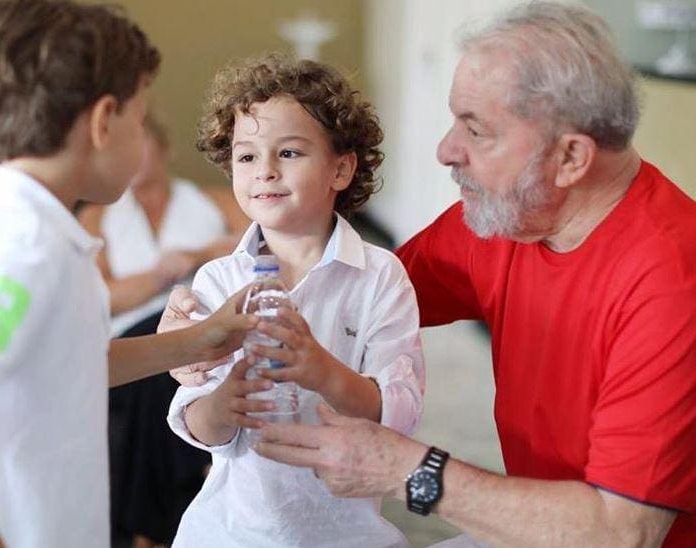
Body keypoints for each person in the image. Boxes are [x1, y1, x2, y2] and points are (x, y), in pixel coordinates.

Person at [253, 3, 696, 547]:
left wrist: (408, 469)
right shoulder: (510, 219)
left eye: (476, 130)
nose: (446, 150)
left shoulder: (673, 281)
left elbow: (622, 533)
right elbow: (355, 297)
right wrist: (221, 310)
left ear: (571, 159)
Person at [0, 1, 255, 546]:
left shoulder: (43, 235)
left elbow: (74, 364)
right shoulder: (28, 251)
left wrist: (199, 341)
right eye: (139, 122)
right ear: (102, 121)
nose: (141, 141)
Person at [164, 54, 425, 547]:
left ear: (341, 169)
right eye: (246, 157)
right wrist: (224, 402)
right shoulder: (218, 279)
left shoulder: (380, 276)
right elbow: (198, 422)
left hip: (348, 534)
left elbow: (401, 415)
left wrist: (322, 370)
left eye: (288, 153)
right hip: (230, 532)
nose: (264, 171)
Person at [79, 112, 237, 548]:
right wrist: (159, 276)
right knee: (160, 362)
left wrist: (196, 255)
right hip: (134, 333)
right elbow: (99, 296)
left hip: (198, 323)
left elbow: (262, 241)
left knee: (181, 353)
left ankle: (146, 529)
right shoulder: (96, 216)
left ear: (163, 148)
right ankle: (169, 516)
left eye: (141, 139)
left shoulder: (212, 200)